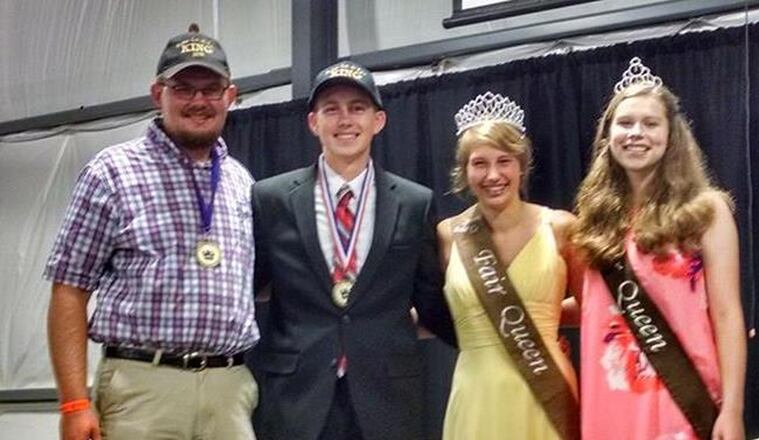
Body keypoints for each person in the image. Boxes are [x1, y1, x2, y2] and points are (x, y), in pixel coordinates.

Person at [44, 24, 259, 440]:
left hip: (230, 387)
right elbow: (69, 289)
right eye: (183, 88)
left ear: (230, 97)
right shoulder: (111, 172)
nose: (198, 100)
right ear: (157, 94)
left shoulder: (240, 181)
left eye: (211, 88)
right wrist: (73, 403)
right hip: (142, 386)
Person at [250, 61, 456, 440]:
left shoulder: (414, 202)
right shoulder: (271, 198)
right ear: (314, 122)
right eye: (332, 109)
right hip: (298, 394)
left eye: (357, 108)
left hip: (387, 395)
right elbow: (246, 288)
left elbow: (429, 299)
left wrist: (490, 342)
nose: (345, 120)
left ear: (378, 120)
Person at [571, 57, 746, 440]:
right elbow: (590, 308)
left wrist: (733, 409)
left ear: (671, 136)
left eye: (650, 124)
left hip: (683, 394)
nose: (637, 133)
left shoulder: (706, 210)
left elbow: (728, 313)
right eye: (625, 123)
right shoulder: (593, 218)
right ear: (608, 135)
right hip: (611, 397)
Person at [437, 92, 581, 440]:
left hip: (544, 387)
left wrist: (540, 319)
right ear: (464, 170)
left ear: (521, 165)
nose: (493, 174)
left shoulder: (561, 227)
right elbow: (437, 313)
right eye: (479, 163)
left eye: (504, 161)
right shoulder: (448, 235)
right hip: (476, 394)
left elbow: (592, 307)